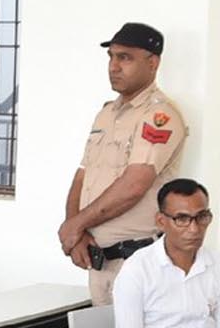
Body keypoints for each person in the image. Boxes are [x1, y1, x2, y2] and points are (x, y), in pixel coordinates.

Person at [60, 22, 188, 307]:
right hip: (99, 261)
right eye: (111, 57)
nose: (114, 66)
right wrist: (75, 231)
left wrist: (76, 224)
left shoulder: (159, 116)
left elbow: (134, 185)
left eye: (125, 58)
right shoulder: (106, 114)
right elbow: (83, 176)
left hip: (137, 262)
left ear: (153, 63)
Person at [112, 178, 220, 328]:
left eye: (202, 217)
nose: (194, 229)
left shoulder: (219, 267)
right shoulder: (137, 269)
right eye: (182, 219)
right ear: (161, 221)